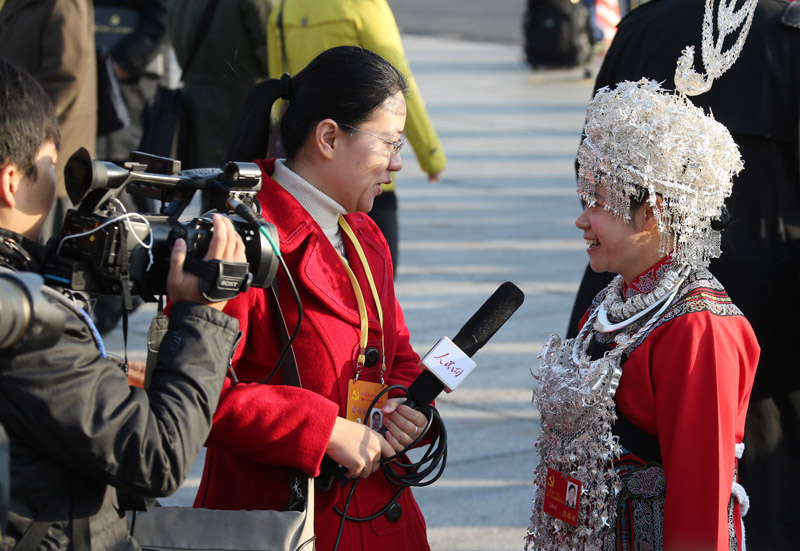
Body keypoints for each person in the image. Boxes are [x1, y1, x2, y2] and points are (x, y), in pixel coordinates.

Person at [564, 2, 800, 548]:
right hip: (764, 305)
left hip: (647, 294)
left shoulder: (643, 24)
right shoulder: (788, 30)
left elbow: (592, 166)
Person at [0, 57, 247, 549]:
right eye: (50, 166)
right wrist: (200, 317)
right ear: (11, 181)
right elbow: (158, 455)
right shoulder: (25, 321)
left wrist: (103, 371)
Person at [192, 46, 432, 551]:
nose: (397, 163)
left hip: (378, 512)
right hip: (279, 524)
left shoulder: (365, 235)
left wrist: (403, 407)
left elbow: (398, 355)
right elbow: (196, 395)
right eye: (389, 143)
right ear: (328, 137)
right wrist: (325, 431)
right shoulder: (239, 239)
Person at [525, 75, 760, 548]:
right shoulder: (613, 298)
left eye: (598, 202)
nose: (582, 218)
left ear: (651, 213)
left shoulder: (699, 329)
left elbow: (701, 510)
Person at [267, 0, 448, 271]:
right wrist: (430, 154)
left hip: (306, 153)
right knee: (375, 278)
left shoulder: (284, 9)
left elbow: (279, 84)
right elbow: (397, 87)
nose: (396, 161)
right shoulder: (363, 5)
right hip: (361, 165)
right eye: (392, 144)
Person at [92, 0, 170, 336]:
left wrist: (125, 60)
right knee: (98, 185)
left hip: (129, 82)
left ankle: (131, 284)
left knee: (128, 180)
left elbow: (162, 16)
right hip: (95, 74)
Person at [0, 0, 97, 242]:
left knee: (42, 246)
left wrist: (25, 125)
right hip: (17, 141)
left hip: (43, 148)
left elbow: (67, 74)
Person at [167, 0, 273, 170]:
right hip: (237, 102)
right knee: (234, 179)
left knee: (199, 177)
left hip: (192, 99)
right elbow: (270, 51)